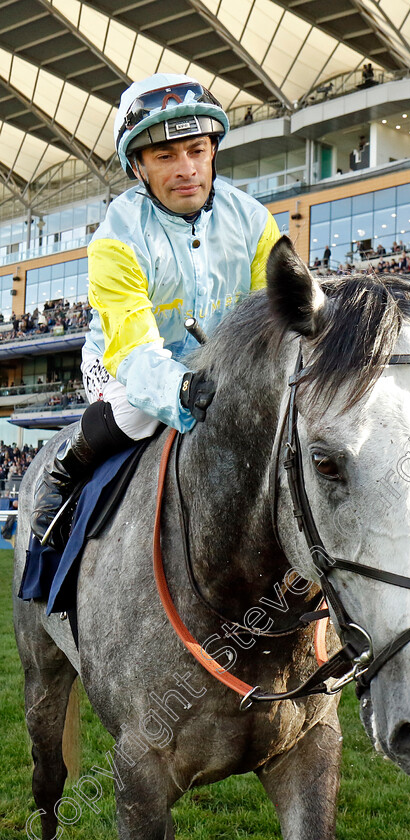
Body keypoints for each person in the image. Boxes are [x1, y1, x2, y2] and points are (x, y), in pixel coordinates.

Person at [31, 73, 280, 546]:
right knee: (138, 412)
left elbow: (271, 319)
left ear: (213, 152)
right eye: (166, 156)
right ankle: (65, 471)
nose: (186, 168)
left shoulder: (254, 220)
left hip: (221, 362)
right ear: (138, 167)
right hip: (124, 365)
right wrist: (181, 388)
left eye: (197, 150)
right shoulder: (116, 237)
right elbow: (134, 353)